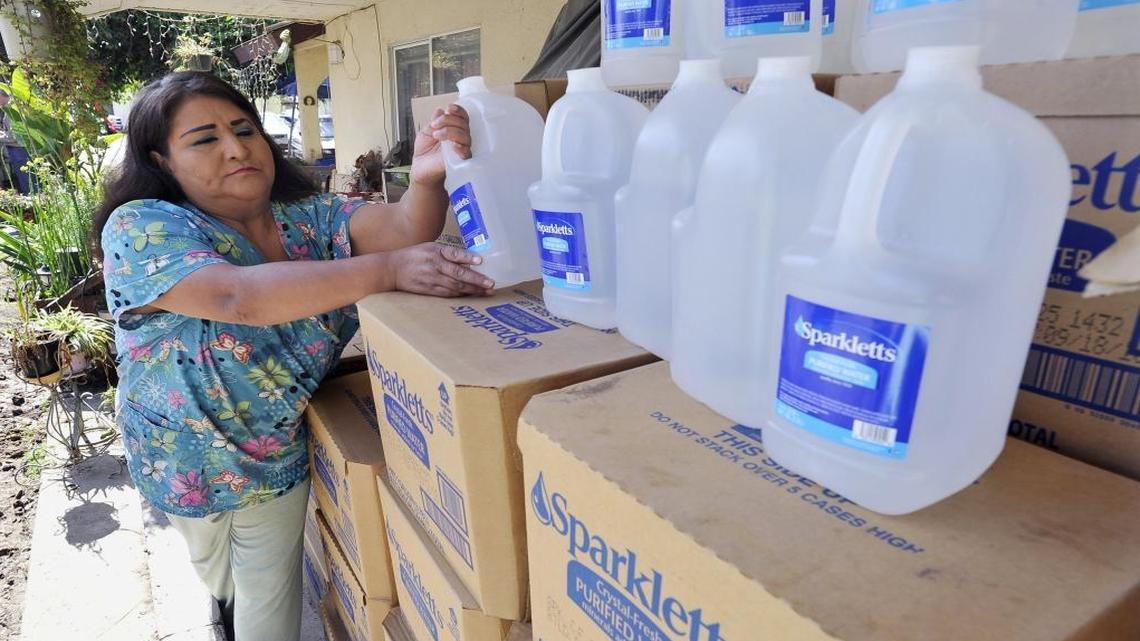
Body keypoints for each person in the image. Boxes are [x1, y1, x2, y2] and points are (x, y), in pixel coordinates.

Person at [92, 71, 491, 641]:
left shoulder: (314, 217)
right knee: (225, 584)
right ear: (162, 160)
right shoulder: (144, 227)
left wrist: (428, 180)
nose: (235, 148)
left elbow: (403, 230)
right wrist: (387, 271)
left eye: (244, 129)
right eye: (204, 139)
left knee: (267, 600)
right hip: (182, 460)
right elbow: (238, 296)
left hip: (272, 455)